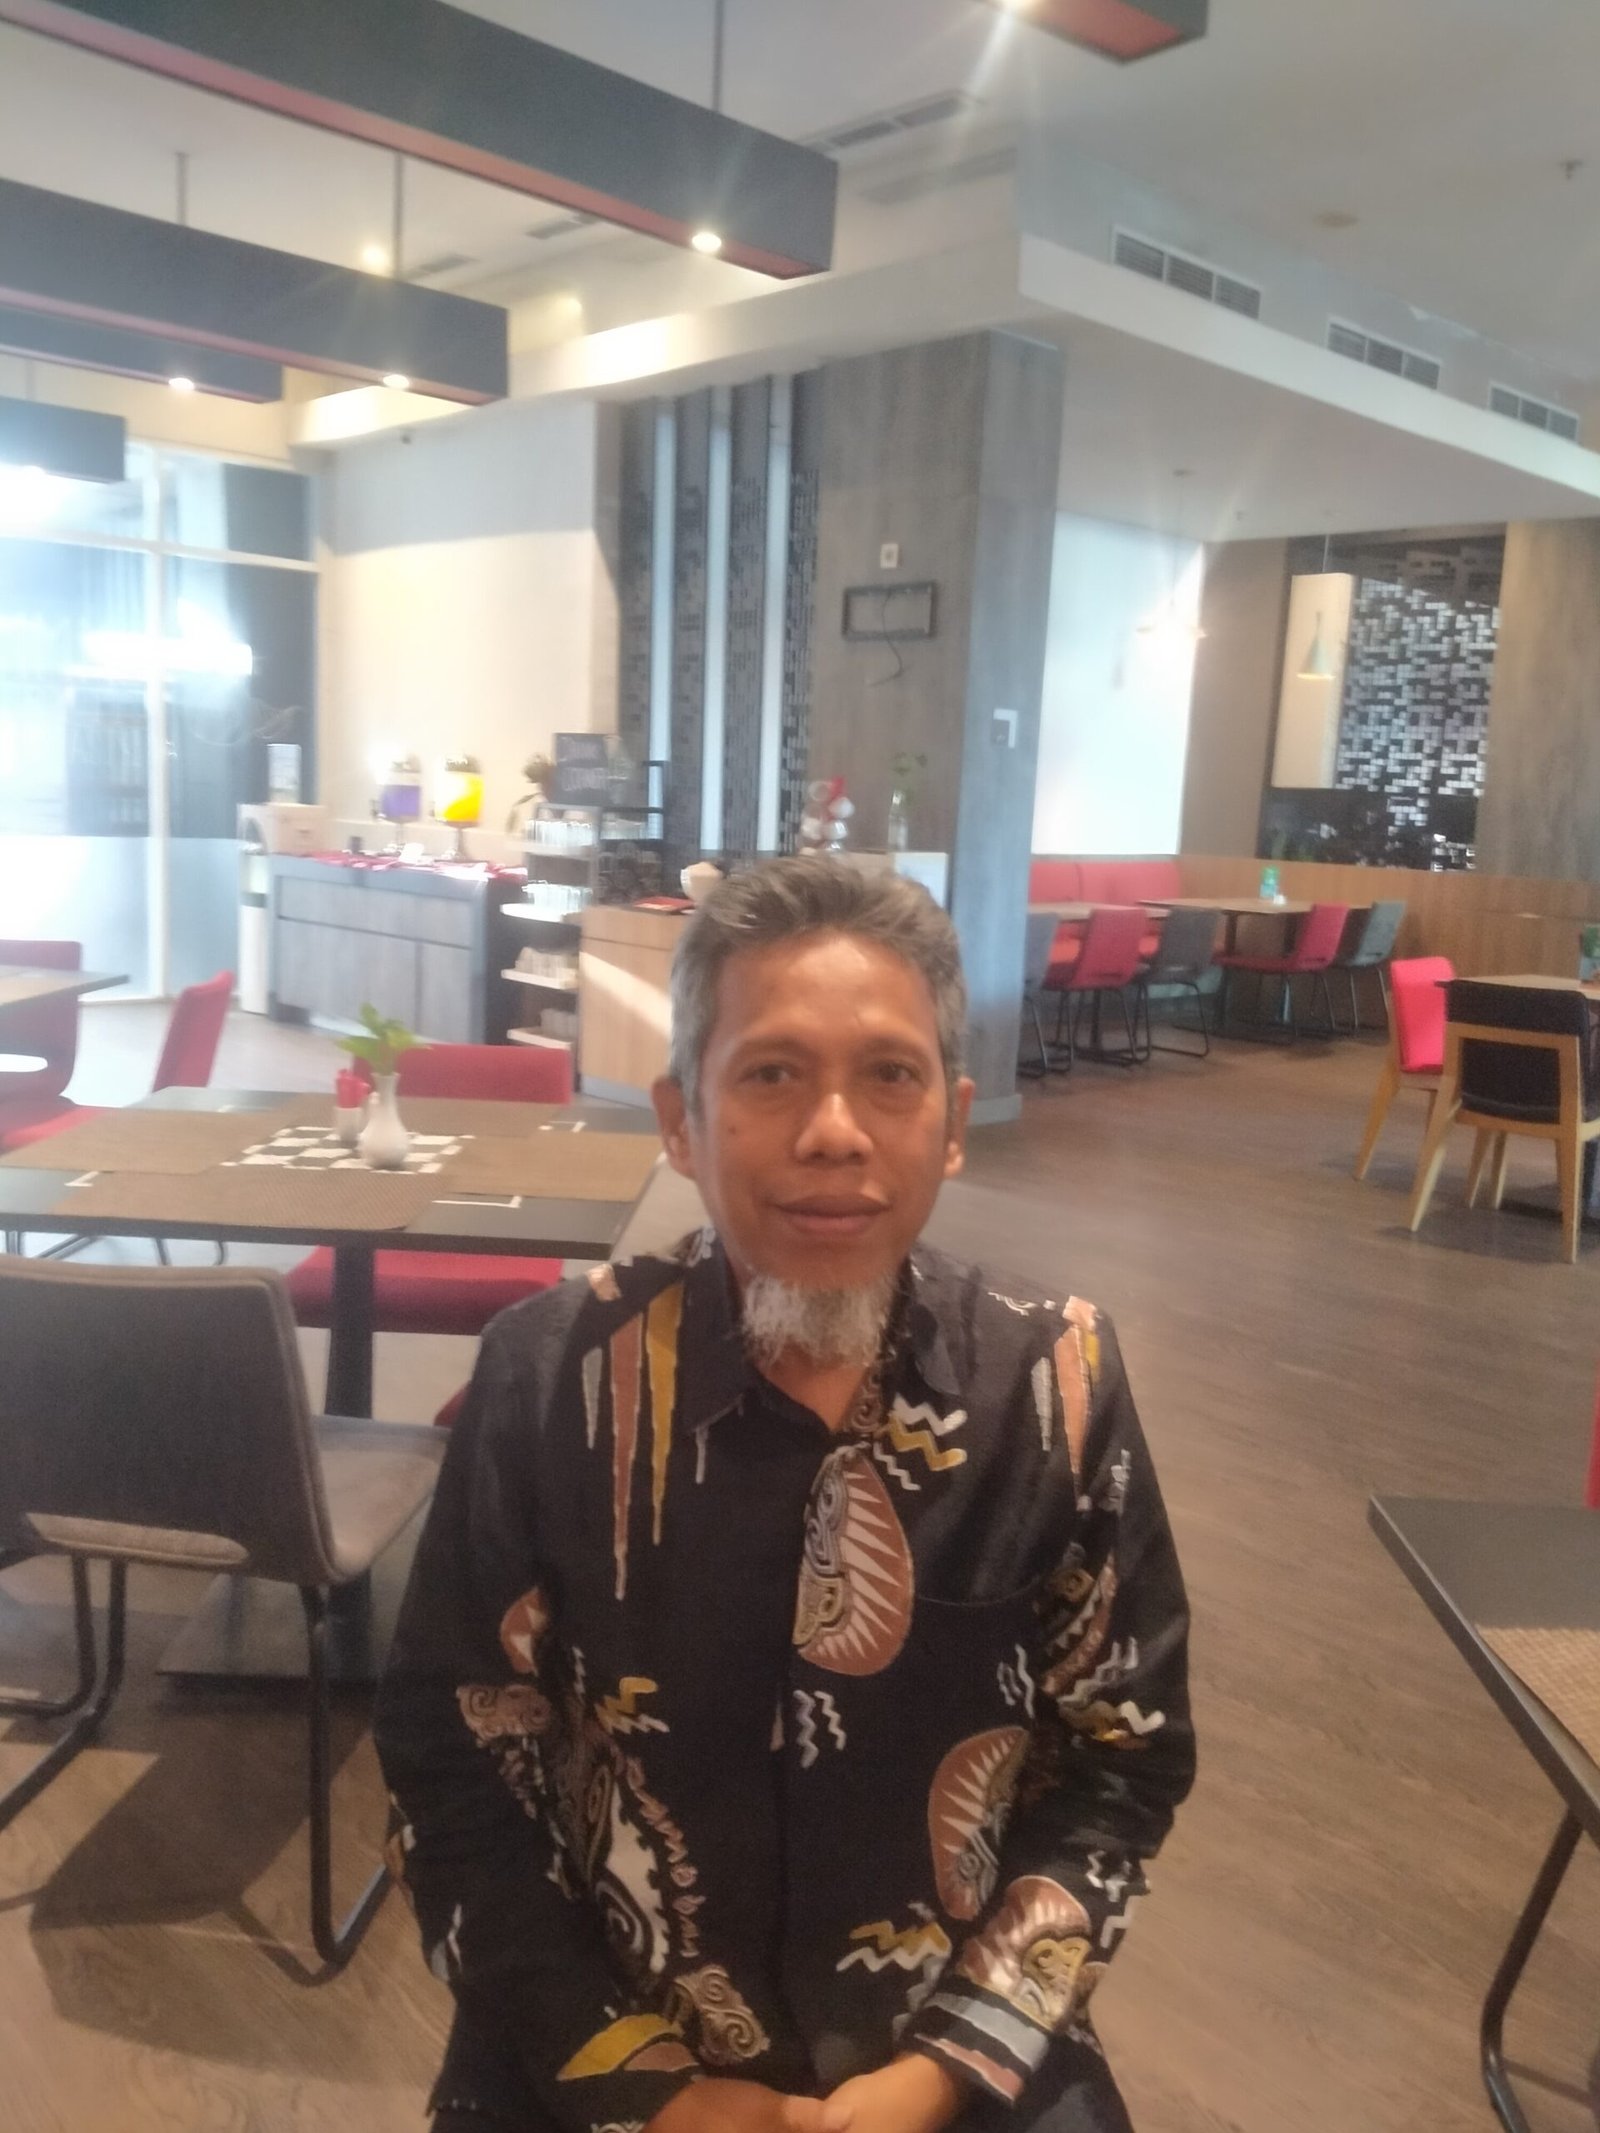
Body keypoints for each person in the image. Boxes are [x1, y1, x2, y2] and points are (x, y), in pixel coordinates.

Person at [375, 856, 1194, 2133]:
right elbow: (450, 1760)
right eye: (771, 1074)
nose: (834, 1131)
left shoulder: (1054, 1384)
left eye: (890, 1075)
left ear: (952, 1122)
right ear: (681, 1120)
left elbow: (1121, 1765)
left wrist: (943, 2069)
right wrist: (644, 2081)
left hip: (962, 2039)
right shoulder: (547, 1380)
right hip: (597, 2040)